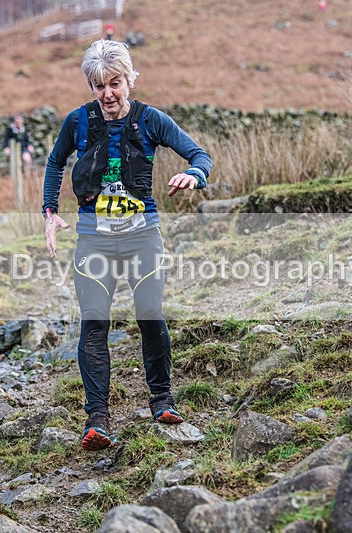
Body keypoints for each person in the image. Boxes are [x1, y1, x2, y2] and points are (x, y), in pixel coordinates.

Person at [42, 39, 212, 451]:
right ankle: (97, 420)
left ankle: (162, 401)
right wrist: (49, 212)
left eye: (115, 83)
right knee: (94, 321)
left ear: (129, 79)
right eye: (99, 86)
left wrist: (195, 176)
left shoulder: (151, 119)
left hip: (142, 236)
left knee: (150, 313)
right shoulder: (77, 122)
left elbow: (199, 155)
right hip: (93, 240)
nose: (108, 94)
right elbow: (54, 161)